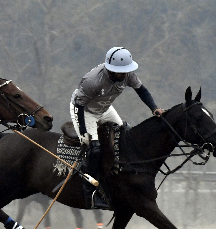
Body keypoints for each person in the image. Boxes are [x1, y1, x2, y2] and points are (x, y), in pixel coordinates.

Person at [69, 47, 164, 209]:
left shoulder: (128, 75)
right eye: (120, 72)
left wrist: (154, 108)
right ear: (110, 69)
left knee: (125, 136)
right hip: (85, 111)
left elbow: (142, 91)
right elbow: (79, 104)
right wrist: (84, 130)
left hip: (105, 109)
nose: (124, 75)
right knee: (95, 149)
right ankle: (89, 191)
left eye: (126, 71)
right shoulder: (93, 81)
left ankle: (122, 180)